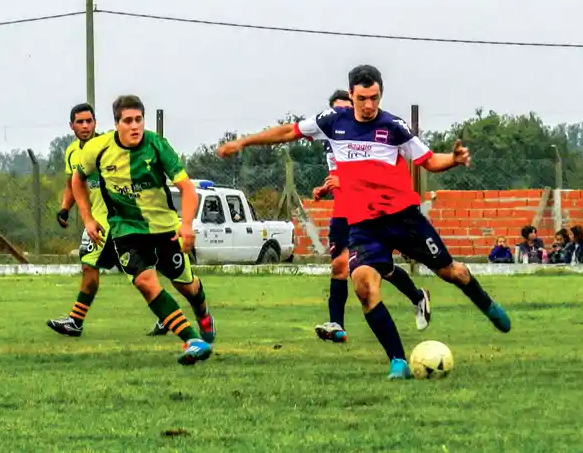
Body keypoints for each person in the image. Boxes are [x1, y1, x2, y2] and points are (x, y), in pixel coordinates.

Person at [218, 64, 511, 379]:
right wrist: (244, 142)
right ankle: (398, 360)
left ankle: (487, 304)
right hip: (365, 226)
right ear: (352, 95)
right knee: (363, 286)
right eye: (363, 98)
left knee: (450, 272)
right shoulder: (332, 122)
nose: (369, 105)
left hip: (403, 218)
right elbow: (289, 131)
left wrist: (453, 160)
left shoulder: (394, 127)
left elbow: (428, 160)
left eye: (375, 97)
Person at [73, 94, 213, 365]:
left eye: (138, 119)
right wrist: (88, 219)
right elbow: (77, 180)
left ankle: (204, 313)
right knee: (144, 282)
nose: (135, 126)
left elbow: (186, 188)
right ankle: (191, 338)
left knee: (186, 286)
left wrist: (186, 226)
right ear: (117, 124)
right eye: (128, 121)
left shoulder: (157, 146)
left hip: (164, 228)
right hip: (126, 229)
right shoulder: (97, 149)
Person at [311, 89, 431, 343]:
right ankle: (337, 325)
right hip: (342, 212)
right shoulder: (332, 140)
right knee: (339, 266)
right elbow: (338, 175)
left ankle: (417, 296)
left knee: (383, 268)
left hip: (369, 214)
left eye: (346, 108)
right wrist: (326, 187)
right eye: (337, 110)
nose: (342, 114)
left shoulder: (369, 137)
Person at [47, 103, 121, 337]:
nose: (86, 125)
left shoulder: (108, 146)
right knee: (98, 266)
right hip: (95, 219)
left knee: (94, 266)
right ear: (72, 126)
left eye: (89, 121)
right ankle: (75, 321)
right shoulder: (71, 152)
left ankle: (75, 321)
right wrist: (64, 208)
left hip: (113, 218)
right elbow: (73, 184)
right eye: (80, 122)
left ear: (96, 123)